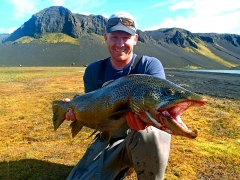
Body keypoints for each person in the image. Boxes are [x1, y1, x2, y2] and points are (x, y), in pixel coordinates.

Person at [65, 11, 171, 180]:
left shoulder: (149, 66)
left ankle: (145, 169)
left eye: (126, 37)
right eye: (115, 37)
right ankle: (121, 165)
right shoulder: (94, 71)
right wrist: (78, 114)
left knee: (150, 134)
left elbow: (161, 108)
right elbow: (95, 115)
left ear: (135, 39)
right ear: (105, 38)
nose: (120, 43)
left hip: (142, 138)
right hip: (109, 139)